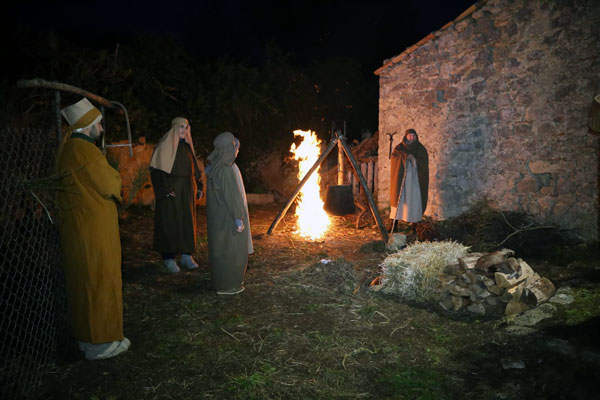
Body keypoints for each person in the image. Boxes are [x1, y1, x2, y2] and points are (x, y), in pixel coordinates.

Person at [55, 97, 130, 360]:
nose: (101, 129)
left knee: (83, 281)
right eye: (98, 124)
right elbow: (109, 182)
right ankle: (102, 342)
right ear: (89, 126)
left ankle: (88, 339)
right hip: (93, 228)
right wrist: (118, 177)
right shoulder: (85, 151)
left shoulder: (67, 149)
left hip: (78, 227)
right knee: (100, 278)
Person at [149, 117, 203, 273]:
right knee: (170, 223)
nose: (184, 131)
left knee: (187, 222)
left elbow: (194, 170)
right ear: (174, 128)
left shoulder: (187, 147)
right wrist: (165, 189)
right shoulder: (165, 146)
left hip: (187, 191)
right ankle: (169, 258)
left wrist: (199, 186)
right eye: (181, 127)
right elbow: (156, 171)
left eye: (186, 128)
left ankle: (187, 255)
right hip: (171, 193)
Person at [205, 132, 253, 295]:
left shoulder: (214, 168)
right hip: (227, 218)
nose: (237, 151)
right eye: (235, 147)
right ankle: (229, 284)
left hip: (219, 217)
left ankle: (221, 281)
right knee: (231, 249)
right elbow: (232, 197)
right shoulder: (225, 170)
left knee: (220, 248)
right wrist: (238, 218)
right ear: (228, 149)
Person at [389, 128, 429, 234]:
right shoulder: (399, 148)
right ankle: (394, 224)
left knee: (414, 200)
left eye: (413, 136)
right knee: (398, 199)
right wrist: (406, 156)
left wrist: (414, 159)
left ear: (416, 137)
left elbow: (424, 163)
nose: (411, 137)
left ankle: (414, 226)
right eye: (410, 135)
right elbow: (394, 158)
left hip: (415, 179)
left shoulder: (420, 149)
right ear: (406, 136)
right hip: (401, 178)